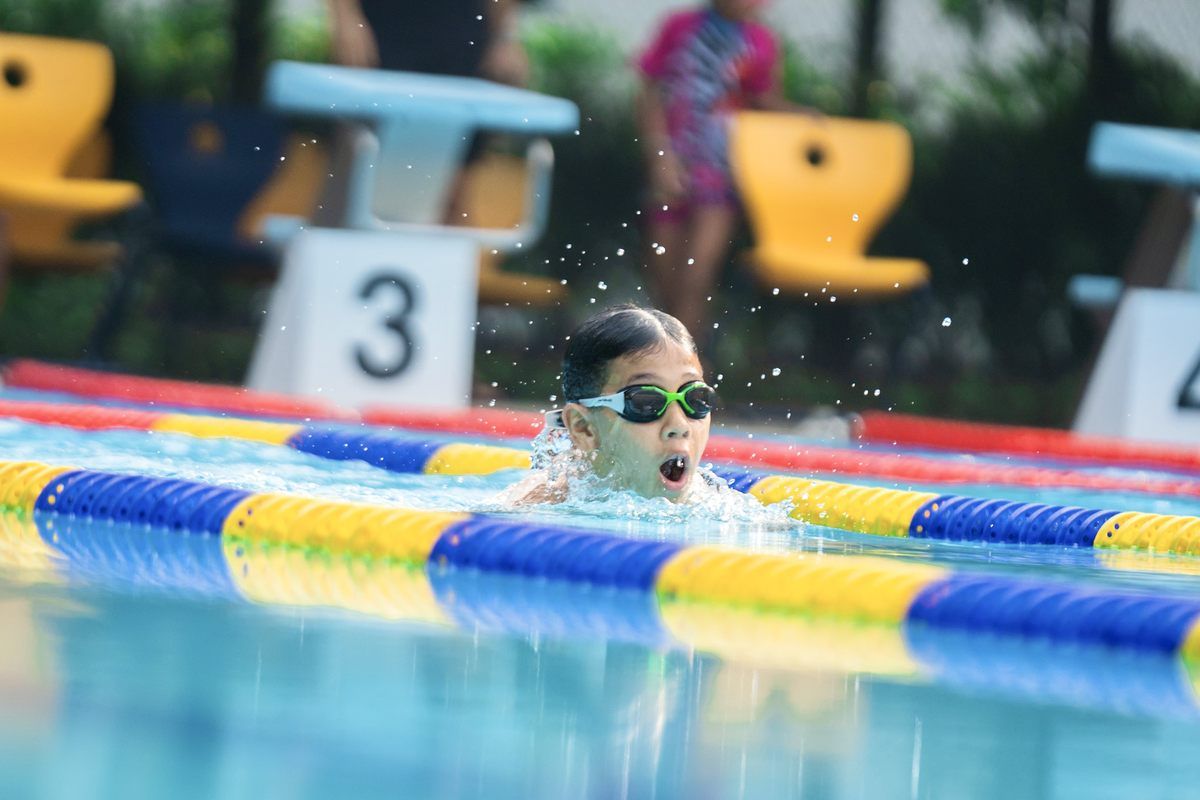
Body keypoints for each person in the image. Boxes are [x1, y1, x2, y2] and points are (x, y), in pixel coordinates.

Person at [635, 0, 817, 345]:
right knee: (662, 275)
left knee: (697, 275)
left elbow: (763, 101)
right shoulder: (679, 27)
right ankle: (662, 359)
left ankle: (683, 370)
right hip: (671, 161)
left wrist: (800, 116)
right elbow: (649, 92)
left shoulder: (761, 41)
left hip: (720, 175)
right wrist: (660, 156)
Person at [322, 0, 530, 224]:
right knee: (355, 174)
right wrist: (346, 20)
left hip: (461, 35)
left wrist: (504, 38)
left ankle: (450, 256)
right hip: (380, 31)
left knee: (453, 190)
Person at [507, 304, 718, 504]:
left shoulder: (716, 504)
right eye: (646, 403)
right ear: (584, 428)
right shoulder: (539, 509)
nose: (679, 426)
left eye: (695, 399)